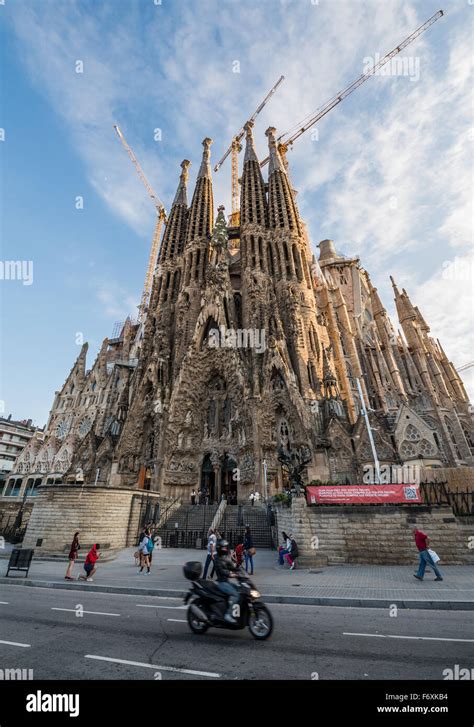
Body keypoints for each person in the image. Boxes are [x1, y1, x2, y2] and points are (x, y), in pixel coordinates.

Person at [214, 538, 241, 624]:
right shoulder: (217, 559)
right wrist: (232, 574)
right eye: (224, 548)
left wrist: (240, 570)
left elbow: (232, 567)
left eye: (226, 547)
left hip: (226, 582)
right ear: (220, 548)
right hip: (221, 583)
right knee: (235, 595)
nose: (225, 549)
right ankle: (228, 615)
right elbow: (223, 571)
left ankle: (237, 613)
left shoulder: (225, 557)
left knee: (239, 590)